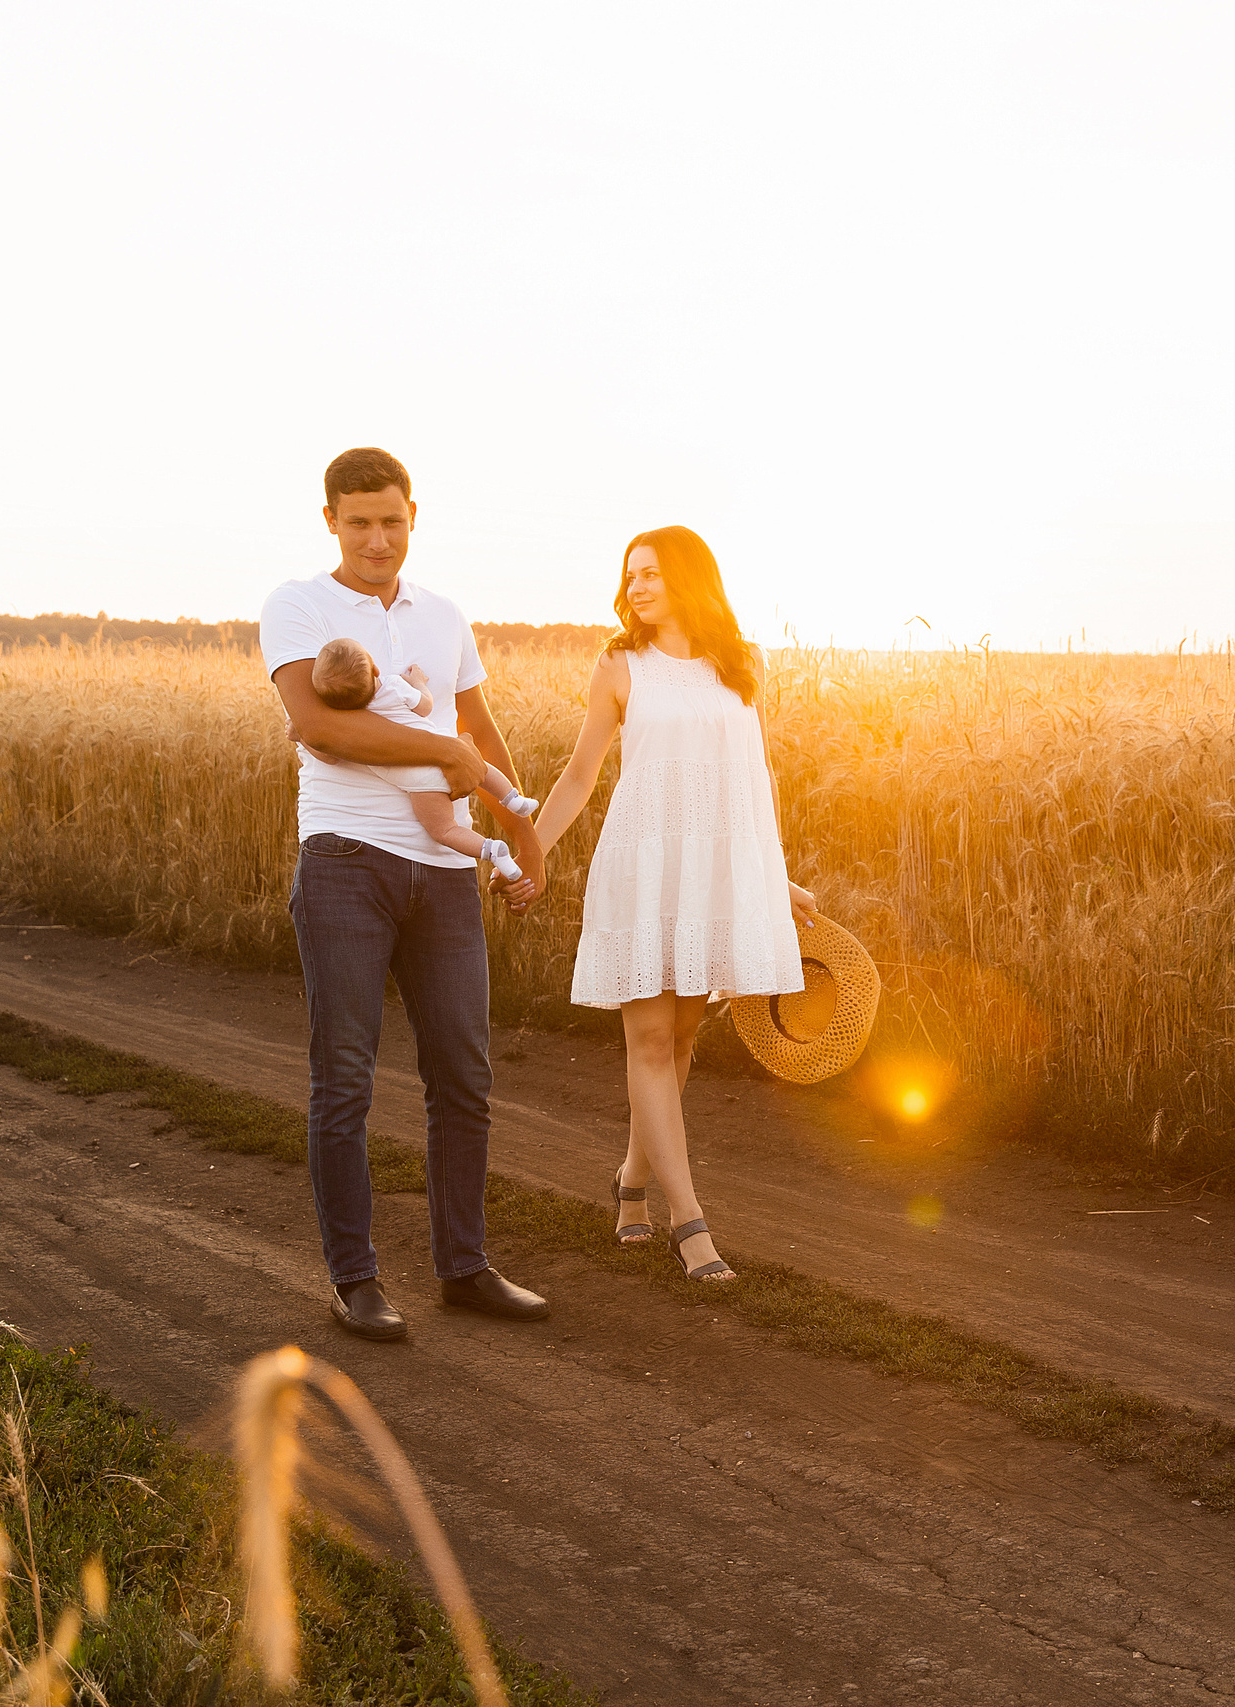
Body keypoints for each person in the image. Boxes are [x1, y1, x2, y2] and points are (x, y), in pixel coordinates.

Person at [260, 446, 551, 1340]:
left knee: (463, 1073)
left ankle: (464, 1266)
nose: (377, 538)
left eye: (391, 520)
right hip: (347, 859)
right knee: (343, 1078)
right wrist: (451, 759)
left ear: (413, 515)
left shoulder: (446, 617)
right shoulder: (299, 606)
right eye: (359, 523)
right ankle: (356, 1279)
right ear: (331, 523)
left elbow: (483, 734)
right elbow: (319, 727)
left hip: (447, 874)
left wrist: (526, 842)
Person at [529, 525, 819, 1284]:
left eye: (651, 572)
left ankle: (630, 1177)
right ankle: (691, 1224)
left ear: (688, 577)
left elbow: (755, 777)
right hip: (644, 864)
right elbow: (579, 774)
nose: (637, 586)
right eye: (630, 575)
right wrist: (532, 846)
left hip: (715, 870)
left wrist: (772, 874)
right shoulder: (620, 665)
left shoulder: (738, 666)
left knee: (682, 1037)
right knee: (651, 1042)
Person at [301, 638, 539, 879]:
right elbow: (425, 706)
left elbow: (328, 756)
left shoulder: (350, 724)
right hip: (448, 750)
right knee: (482, 770)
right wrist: (418, 683)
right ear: (375, 669)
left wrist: (301, 736)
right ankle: (513, 799)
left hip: (423, 785)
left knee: (445, 830)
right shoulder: (393, 686)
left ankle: (492, 850)